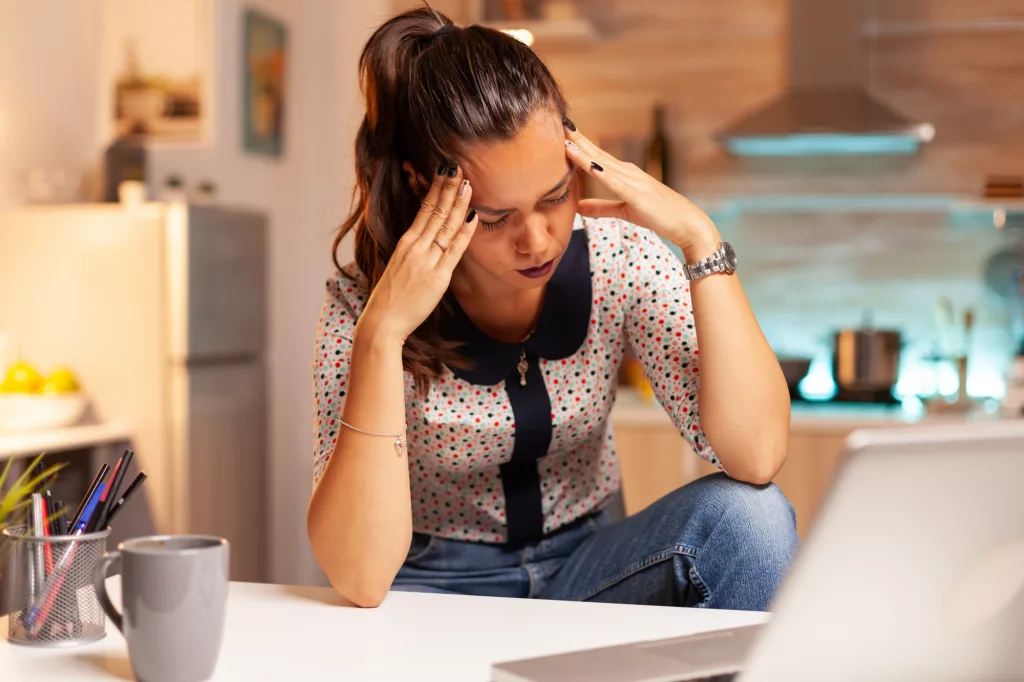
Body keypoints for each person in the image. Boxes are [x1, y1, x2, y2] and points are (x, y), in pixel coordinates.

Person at [307, 7, 797, 610]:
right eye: (494, 217)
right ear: (418, 184)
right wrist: (381, 336)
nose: (536, 240)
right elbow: (358, 577)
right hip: (435, 588)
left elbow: (758, 454)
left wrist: (700, 239)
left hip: (593, 569)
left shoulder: (622, 259)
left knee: (753, 519)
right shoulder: (362, 304)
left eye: (555, 196)